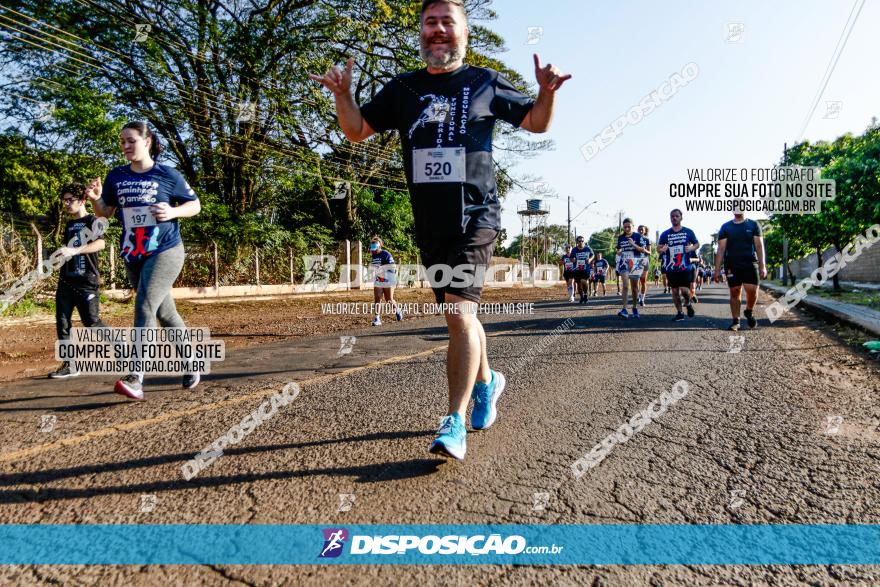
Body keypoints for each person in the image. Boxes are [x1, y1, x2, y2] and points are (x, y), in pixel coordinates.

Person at [310, 0, 570, 460]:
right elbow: (357, 130)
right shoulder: (403, 88)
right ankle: (488, 381)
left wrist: (546, 92)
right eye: (430, 22)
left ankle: (453, 422)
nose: (438, 30)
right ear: (421, 34)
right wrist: (342, 96)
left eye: (447, 22)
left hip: (477, 217)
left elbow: (535, 122)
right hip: (431, 225)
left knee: (456, 314)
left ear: (463, 33)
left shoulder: (484, 81)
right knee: (461, 316)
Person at [87, 121, 202, 400]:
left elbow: (194, 205)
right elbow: (105, 213)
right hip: (133, 253)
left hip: (165, 250)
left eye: (131, 141)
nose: (125, 146)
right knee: (164, 313)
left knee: (144, 306)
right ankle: (192, 362)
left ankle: (136, 377)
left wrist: (173, 212)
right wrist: (95, 199)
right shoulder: (116, 176)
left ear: (147, 141)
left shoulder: (167, 174)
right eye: (122, 142)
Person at [49, 183, 109, 379]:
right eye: (64, 200)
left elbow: (101, 243)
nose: (66, 204)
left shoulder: (93, 221)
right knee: (62, 322)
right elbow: (69, 251)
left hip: (86, 282)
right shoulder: (68, 225)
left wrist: (75, 250)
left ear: (83, 200)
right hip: (66, 281)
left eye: (70, 200)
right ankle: (70, 365)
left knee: (91, 322)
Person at [714, 209, 767, 331]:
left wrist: (762, 265)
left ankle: (748, 311)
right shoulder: (726, 227)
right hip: (732, 265)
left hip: (750, 263)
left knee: (752, 292)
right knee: (735, 291)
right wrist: (717, 270)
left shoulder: (753, 225)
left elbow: (759, 245)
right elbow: (721, 249)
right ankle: (735, 321)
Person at [657, 209, 699, 322]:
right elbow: (658, 249)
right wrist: (662, 249)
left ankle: (688, 303)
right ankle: (680, 313)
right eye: (672, 216)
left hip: (685, 266)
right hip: (671, 268)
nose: (674, 218)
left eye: (676, 216)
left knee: (685, 290)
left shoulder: (688, 232)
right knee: (675, 291)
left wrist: (691, 248)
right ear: (670, 218)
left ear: (681, 217)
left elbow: (697, 244)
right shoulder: (665, 234)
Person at [615, 218, 649, 319]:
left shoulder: (637, 236)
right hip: (624, 262)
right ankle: (624, 309)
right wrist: (619, 252)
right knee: (625, 285)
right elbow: (618, 249)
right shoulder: (621, 237)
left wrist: (633, 244)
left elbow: (642, 250)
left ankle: (634, 307)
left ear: (633, 226)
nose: (626, 228)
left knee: (634, 288)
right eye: (625, 227)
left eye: (628, 226)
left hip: (635, 263)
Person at [369, 236, 403, 326]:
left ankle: (398, 310)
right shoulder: (373, 255)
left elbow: (393, 267)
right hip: (379, 279)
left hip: (389, 278)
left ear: (379, 246)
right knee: (377, 298)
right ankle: (377, 318)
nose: (373, 250)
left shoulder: (386, 254)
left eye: (374, 248)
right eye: (372, 248)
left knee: (389, 299)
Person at [569, 236, 594, 304]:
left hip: (586, 268)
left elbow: (592, 255)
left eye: (582, 241)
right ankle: (582, 296)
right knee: (579, 284)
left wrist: (590, 259)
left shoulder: (588, 248)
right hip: (577, 269)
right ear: (577, 242)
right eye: (579, 241)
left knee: (583, 281)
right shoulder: (574, 250)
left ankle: (586, 294)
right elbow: (571, 258)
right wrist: (572, 260)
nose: (581, 242)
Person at [636, 225, 652, 306]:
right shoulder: (635, 238)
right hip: (636, 261)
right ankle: (638, 296)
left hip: (645, 261)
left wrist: (644, 250)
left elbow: (650, 252)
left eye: (642, 230)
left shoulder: (647, 239)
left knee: (643, 281)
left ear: (645, 231)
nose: (641, 231)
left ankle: (642, 299)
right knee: (636, 280)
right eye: (639, 229)